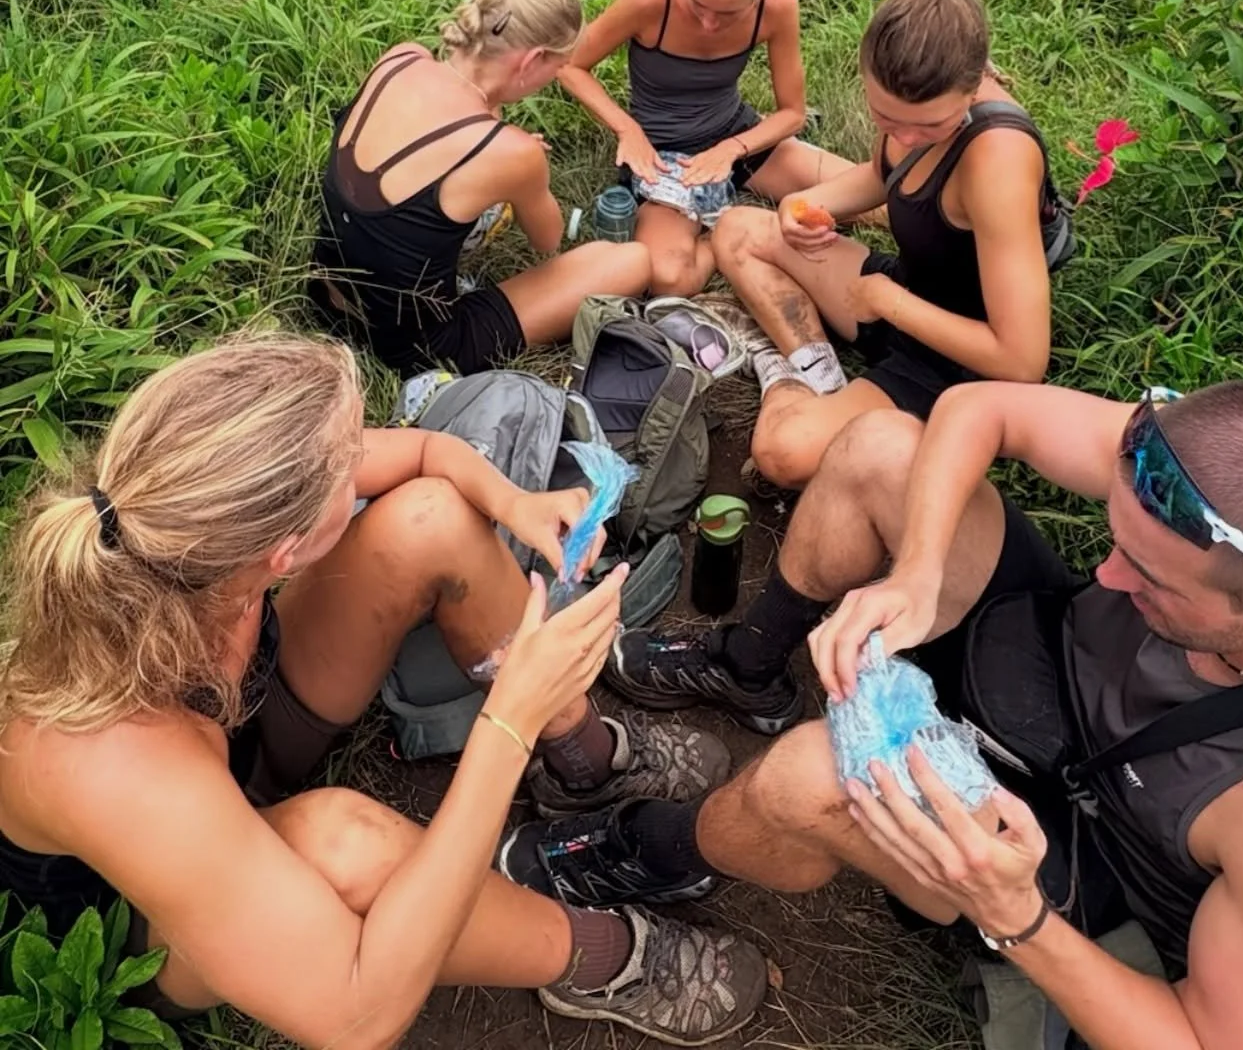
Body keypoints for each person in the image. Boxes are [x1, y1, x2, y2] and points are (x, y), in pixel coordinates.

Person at [503, 379, 1243, 1050]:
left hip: (1077, 861)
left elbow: (1208, 1040)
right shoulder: (1204, 479)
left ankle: (662, 855)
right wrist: (914, 574)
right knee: (880, 453)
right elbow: (979, 409)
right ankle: (749, 667)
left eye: (1146, 579)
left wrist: (1018, 917)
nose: (1108, 577)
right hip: (1040, 665)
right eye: (1113, 544)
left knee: (807, 774)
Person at [0, 336, 765, 1048]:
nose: (361, 455)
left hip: (231, 747)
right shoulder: (107, 760)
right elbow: (356, 1012)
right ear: (288, 549)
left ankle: (585, 760)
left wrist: (512, 503)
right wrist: (507, 723)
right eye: (344, 459)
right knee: (344, 844)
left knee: (428, 517)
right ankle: (603, 956)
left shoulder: (186, 518)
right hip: (142, 913)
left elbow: (430, 451)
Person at [710, 0, 1056, 487]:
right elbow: (882, 175)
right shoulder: (910, 96)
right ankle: (820, 373)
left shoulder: (998, 160)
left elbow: (1023, 360)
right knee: (738, 229)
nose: (906, 137)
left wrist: (890, 303)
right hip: (905, 291)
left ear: (972, 88)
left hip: (957, 357)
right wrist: (805, 204)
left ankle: (785, 374)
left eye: (929, 127)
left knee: (782, 453)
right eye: (886, 118)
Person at [311, 0, 650, 375]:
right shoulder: (511, 152)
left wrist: (501, 136)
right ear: (532, 61)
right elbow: (548, 239)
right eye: (556, 67)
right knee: (630, 261)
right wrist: (522, 159)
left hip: (328, 296)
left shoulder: (399, 59)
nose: (553, 77)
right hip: (415, 350)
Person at [558, 0, 855, 296]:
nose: (710, 23)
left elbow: (792, 113)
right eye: (699, 5)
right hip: (662, 155)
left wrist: (731, 150)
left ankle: (738, 217)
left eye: (729, 13)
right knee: (666, 277)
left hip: (738, 135)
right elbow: (570, 67)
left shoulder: (778, 4)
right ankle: (737, 233)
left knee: (879, 200)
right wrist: (627, 129)